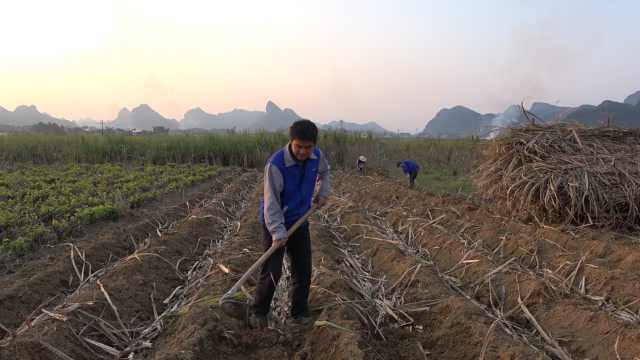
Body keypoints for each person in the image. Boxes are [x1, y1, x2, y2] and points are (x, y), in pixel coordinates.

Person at [250, 119, 331, 329]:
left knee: (303, 268)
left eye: (308, 147)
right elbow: (271, 204)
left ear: (313, 145)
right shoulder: (276, 165)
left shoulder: (317, 157)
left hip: (300, 220)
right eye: (299, 147)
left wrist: (323, 193)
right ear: (290, 142)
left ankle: (299, 312)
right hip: (275, 223)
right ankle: (258, 312)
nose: (303, 152)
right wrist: (277, 232)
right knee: (272, 269)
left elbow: (325, 172)